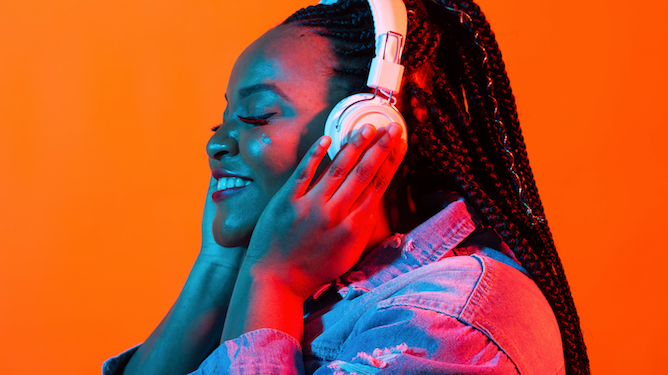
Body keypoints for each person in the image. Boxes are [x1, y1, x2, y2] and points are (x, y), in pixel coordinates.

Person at [104, 0, 590, 374]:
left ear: (365, 130)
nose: (218, 145)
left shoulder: (448, 321)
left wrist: (272, 280)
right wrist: (220, 263)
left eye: (256, 115)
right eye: (222, 120)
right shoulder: (321, 281)